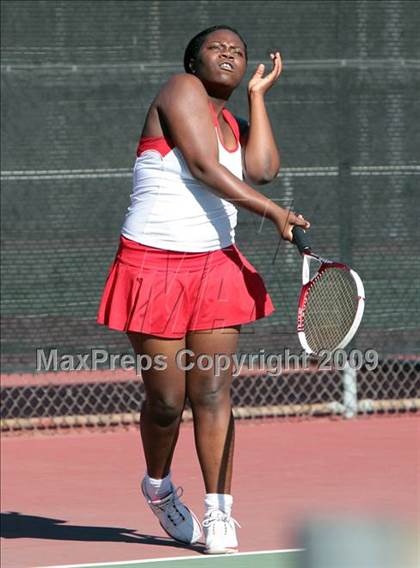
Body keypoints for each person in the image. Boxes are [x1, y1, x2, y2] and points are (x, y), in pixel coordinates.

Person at [97, 25, 310, 555]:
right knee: (167, 401)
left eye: (238, 52)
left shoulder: (234, 122)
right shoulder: (178, 91)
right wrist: (276, 213)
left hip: (214, 268)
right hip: (151, 265)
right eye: (217, 48)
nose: (230, 55)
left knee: (212, 392)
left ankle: (220, 513)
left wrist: (258, 99)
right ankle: (160, 487)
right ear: (193, 62)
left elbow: (261, 169)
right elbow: (202, 167)